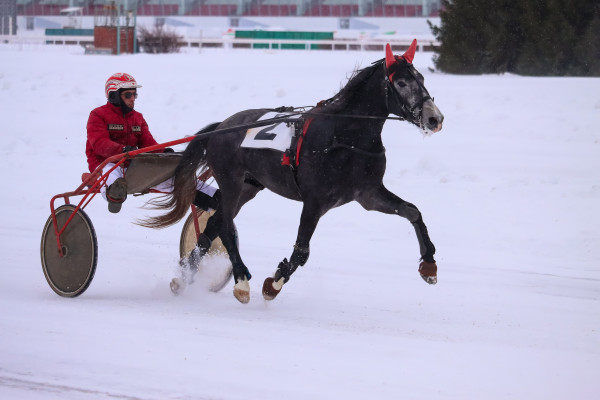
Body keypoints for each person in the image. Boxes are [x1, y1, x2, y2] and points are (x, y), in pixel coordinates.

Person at [86, 72, 218, 213]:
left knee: (176, 180)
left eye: (134, 94)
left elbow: (148, 143)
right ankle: (115, 195)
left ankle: (216, 200)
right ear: (114, 96)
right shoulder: (98, 115)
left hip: (134, 167)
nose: (133, 99)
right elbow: (99, 143)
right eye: (128, 95)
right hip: (107, 164)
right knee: (112, 174)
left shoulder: (138, 118)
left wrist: (163, 153)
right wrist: (123, 150)